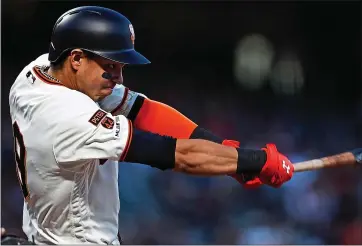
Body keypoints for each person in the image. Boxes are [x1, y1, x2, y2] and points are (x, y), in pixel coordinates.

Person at [9, 6, 294, 245]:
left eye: (121, 67)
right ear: (76, 59)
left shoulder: (36, 71)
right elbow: (175, 155)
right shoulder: (69, 115)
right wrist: (254, 160)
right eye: (110, 67)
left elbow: (144, 111)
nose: (119, 79)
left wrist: (227, 153)